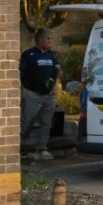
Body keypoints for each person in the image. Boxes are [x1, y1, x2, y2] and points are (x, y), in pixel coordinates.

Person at [19, 28, 62, 160]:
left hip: (48, 95)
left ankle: (42, 149)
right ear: (40, 40)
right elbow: (21, 73)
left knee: (46, 123)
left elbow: (58, 71)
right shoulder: (28, 54)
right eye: (48, 39)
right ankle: (19, 147)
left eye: (51, 39)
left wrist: (59, 72)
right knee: (27, 121)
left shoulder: (53, 55)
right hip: (33, 93)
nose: (51, 41)